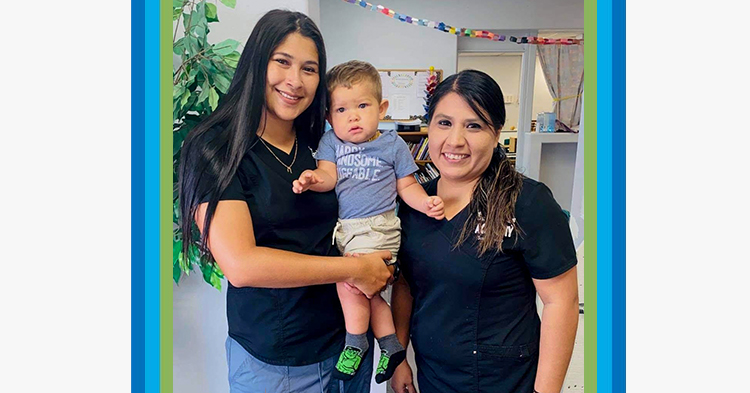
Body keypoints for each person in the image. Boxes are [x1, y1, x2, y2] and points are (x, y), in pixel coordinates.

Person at [178, 10, 393, 393]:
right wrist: (352, 270)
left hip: (346, 347)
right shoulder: (216, 148)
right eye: (282, 62)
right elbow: (240, 264)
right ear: (257, 61)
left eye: (309, 69)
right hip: (275, 363)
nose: (295, 81)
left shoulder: (322, 147)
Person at [389, 69, 580, 393]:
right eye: (444, 123)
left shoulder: (527, 202)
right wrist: (398, 358)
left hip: (505, 380)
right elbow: (406, 284)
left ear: (496, 134)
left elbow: (562, 301)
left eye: (474, 125)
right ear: (429, 127)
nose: (455, 141)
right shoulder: (416, 203)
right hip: (434, 376)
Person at [291, 60, 445, 384]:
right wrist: (310, 179)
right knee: (367, 292)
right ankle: (389, 344)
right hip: (347, 231)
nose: (353, 116)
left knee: (347, 282)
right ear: (330, 117)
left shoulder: (391, 144)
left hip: (379, 227)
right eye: (342, 110)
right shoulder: (331, 142)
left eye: (362, 105)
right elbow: (328, 177)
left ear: (382, 107)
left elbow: (407, 187)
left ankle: (356, 342)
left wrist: (425, 202)